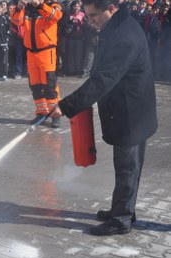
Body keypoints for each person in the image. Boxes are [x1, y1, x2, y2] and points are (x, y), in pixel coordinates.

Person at [51, 0, 158, 236]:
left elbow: (103, 80)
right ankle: (123, 209)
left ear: (111, 8)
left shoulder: (123, 36)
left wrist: (66, 105)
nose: (90, 22)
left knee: (128, 167)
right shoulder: (119, 27)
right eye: (87, 16)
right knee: (129, 167)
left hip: (132, 113)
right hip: (131, 108)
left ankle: (121, 220)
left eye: (94, 16)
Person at [20, 0, 63, 128]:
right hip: (31, 52)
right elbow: (16, 21)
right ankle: (41, 112)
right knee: (35, 85)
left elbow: (55, 16)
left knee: (49, 85)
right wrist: (18, 8)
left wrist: (39, 5)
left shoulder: (53, 5)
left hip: (46, 51)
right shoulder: (26, 8)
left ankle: (55, 114)